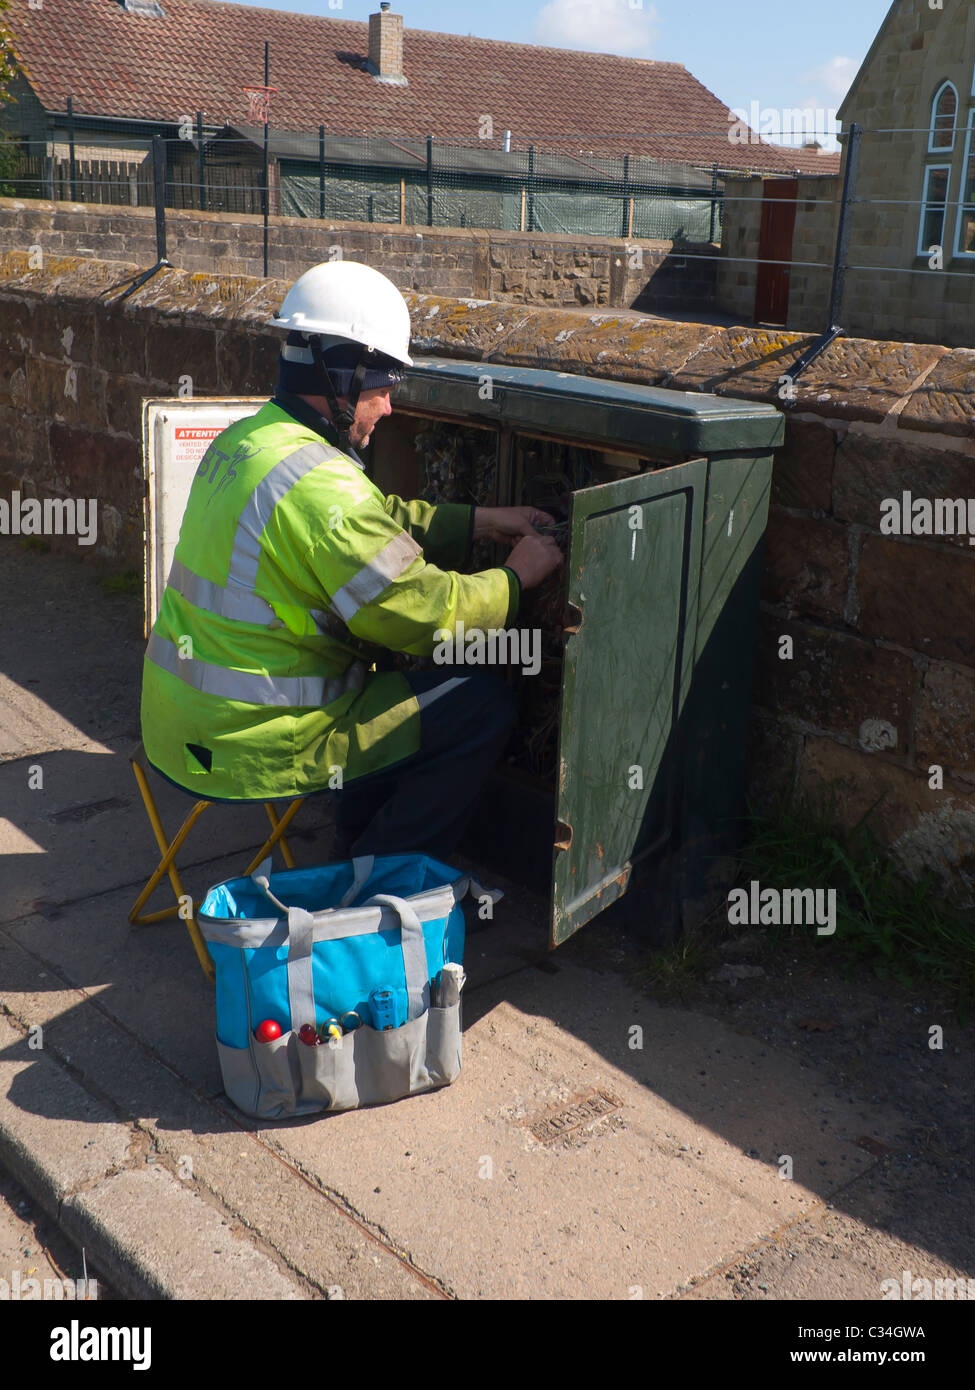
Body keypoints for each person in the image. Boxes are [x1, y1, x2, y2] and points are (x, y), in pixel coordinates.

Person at [140, 260, 563, 860]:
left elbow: (364, 520)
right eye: (383, 387)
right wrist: (517, 578)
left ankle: (358, 844)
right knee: (478, 705)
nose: (389, 408)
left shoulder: (248, 441)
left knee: (382, 689)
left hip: (175, 725)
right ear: (341, 377)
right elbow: (423, 614)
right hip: (252, 743)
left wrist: (482, 522)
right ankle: (380, 888)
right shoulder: (320, 483)